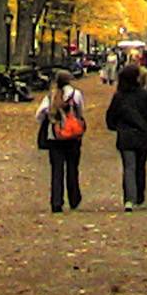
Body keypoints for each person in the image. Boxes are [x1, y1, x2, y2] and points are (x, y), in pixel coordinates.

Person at [105, 62, 147, 210]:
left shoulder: (119, 96)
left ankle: (129, 198)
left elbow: (110, 118)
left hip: (125, 137)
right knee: (140, 167)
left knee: (129, 167)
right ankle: (139, 196)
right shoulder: (146, 96)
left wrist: (117, 127)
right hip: (143, 136)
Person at [38, 72, 87, 212]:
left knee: (56, 170)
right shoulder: (76, 95)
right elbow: (80, 112)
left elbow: (39, 114)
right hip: (73, 136)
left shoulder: (51, 96)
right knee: (72, 167)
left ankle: (56, 202)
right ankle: (74, 198)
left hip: (55, 136)